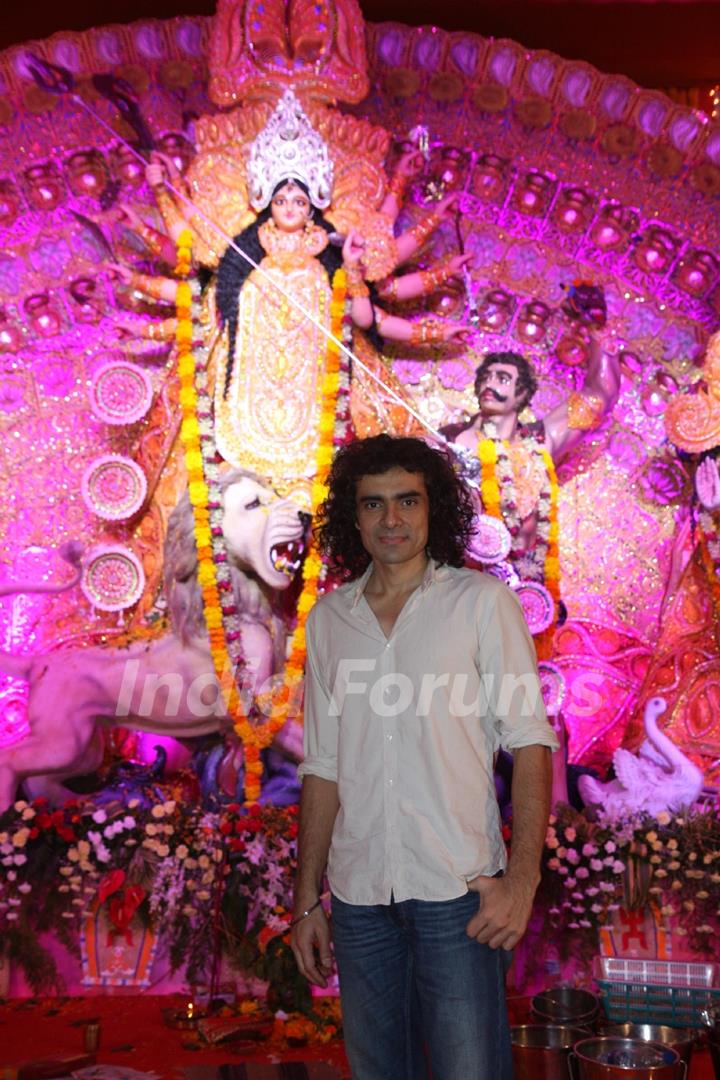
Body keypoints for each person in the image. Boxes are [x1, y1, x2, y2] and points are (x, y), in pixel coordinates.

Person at [290, 434, 559, 1079]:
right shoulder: (329, 621)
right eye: (374, 504)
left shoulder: (481, 604)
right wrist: (306, 901)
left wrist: (522, 883)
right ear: (352, 518)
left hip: (458, 898)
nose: (392, 520)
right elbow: (322, 768)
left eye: (407, 501)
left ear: (432, 509)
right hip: (358, 902)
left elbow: (530, 743)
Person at [114, 90, 468, 512]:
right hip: (238, 411)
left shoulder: (333, 256)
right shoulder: (238, 260)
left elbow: (366, 316)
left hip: (318, 413)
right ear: (265, 199)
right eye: (281, 200)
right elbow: (200, 310)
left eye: (299, 201)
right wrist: (162, 194)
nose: (289, 208)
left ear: (313, 204)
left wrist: (360, 269)